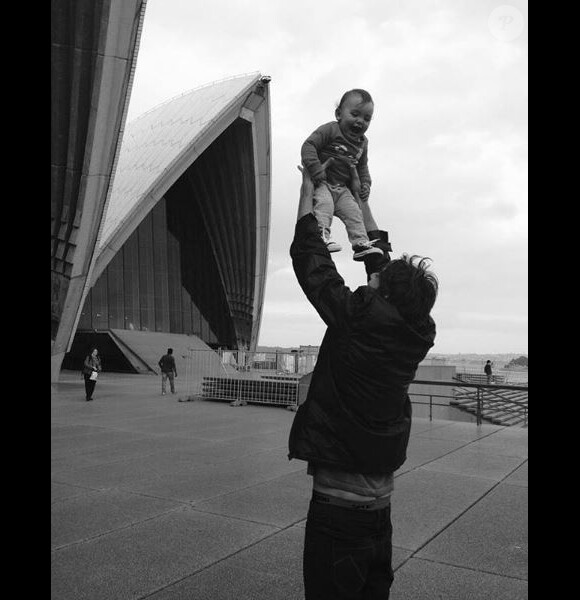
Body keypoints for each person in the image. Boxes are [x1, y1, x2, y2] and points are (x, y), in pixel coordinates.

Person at [288, 166, 438, 599]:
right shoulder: (415, 333)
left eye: (376, 280)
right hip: (379, 515)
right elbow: (379, 260)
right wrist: (359, 197)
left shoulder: (356, 318)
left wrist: (305, 194)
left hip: (338, 516)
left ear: (383, 294)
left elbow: (310, 262)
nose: (372, 276)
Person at [301, 88, 384, 262]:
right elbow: (308, 146)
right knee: (324, 206)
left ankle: (360, 243)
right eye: (355, 114)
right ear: (339, 114)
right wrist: (316, 170)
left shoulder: (363, 143)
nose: (360, 121)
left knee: (354, 212)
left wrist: (366, 185)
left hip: (343, 188)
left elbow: (362, 167)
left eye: (366, 118)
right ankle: (322, 237)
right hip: (323, 182)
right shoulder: (330, 130)